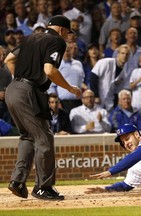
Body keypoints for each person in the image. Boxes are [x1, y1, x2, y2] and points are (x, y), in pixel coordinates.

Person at [4, 15, 82, 200]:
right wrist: (70, 88)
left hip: (13, 89)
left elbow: (8, 59)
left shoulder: (31, 37)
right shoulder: (56, 41)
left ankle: (17, 181)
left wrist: (22, 79)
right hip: (29, 92)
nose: (67, 37)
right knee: (44, 139)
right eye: (67, 33)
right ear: (62, 30)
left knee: (27, 137)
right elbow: (49, 70)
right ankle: (43, 187)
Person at [90, 44, 130, 112]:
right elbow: (93, 77)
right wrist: (96, 96)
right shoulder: (106, 62)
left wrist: (115, 106)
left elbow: (117, 92)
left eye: (127, 54)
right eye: (122, 53)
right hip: (97, 99)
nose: (124, 56)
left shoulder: (124, 74)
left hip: (109, 103)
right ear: (118, 54)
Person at [48, 42, 85, 113]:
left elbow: (81, 82)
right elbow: (51, 86)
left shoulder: (78, 63)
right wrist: (57, 102)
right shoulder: (56, 66)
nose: (66, 53)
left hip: (78, 102)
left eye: (67, 50)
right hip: (63, 103)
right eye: (63, 51)